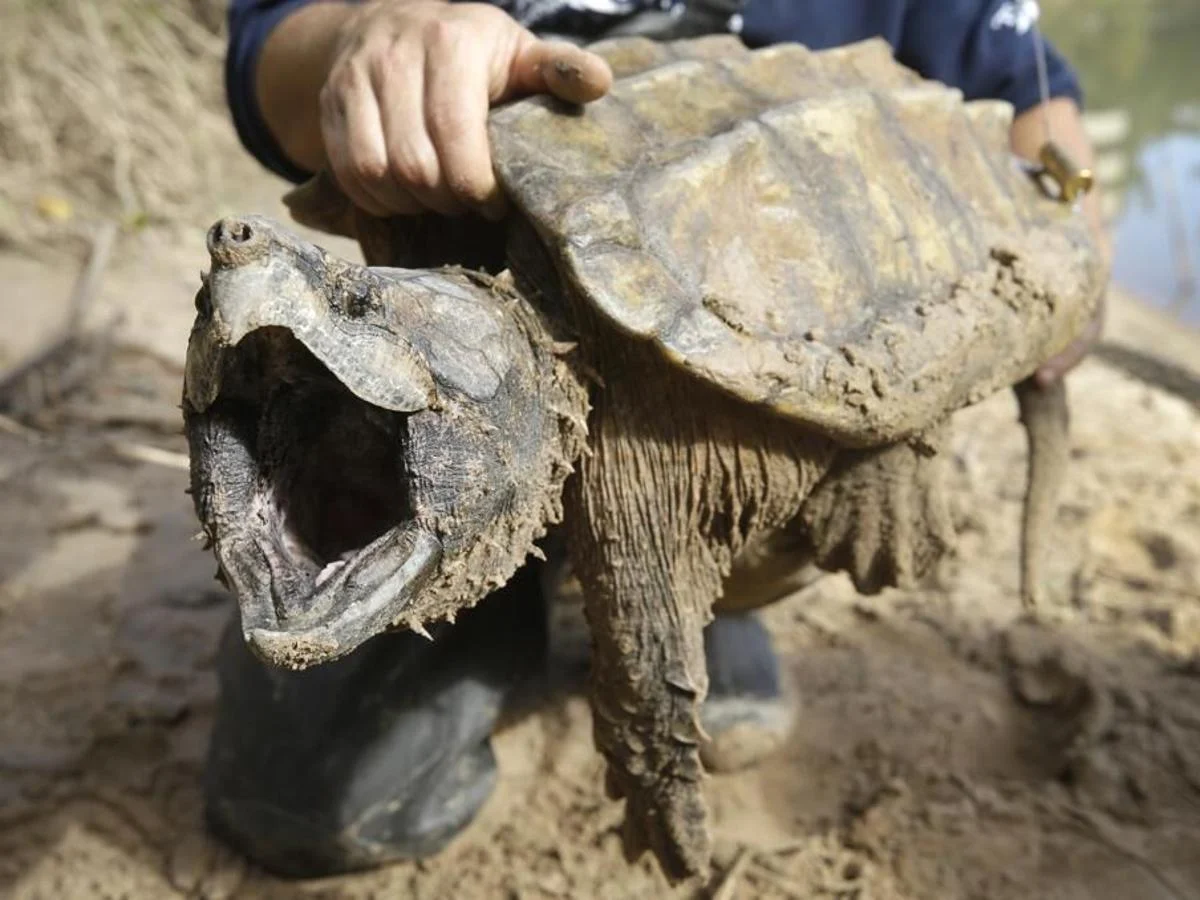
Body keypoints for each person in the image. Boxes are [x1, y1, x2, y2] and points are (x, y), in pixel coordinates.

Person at [212, 0, 1110, 878]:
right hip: (468, 195)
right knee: (303, 796)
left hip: (763, 351)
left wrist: (1066, 247)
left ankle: (727, 591)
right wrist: (359, 38)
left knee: (676, 542)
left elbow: (1027, 96)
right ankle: (479, 558)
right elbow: (267, 45)